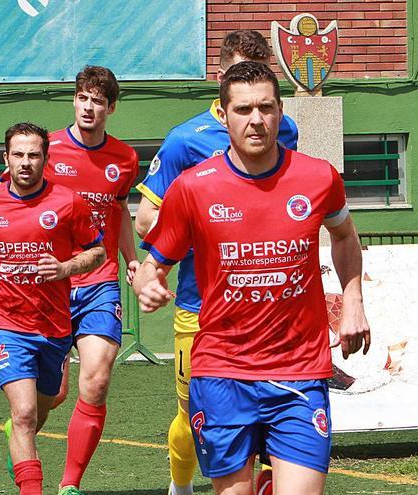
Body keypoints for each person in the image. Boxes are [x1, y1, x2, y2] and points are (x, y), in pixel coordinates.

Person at [134, 61, 371, 495]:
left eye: (266, 107)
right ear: (224, 116)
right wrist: (147, 281)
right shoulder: (192, 187)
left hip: (299, 371)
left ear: (281, 111)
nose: (256, 120)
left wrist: (353, 299)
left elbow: (344, 236)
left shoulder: (318, 177)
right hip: (223, 371)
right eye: (243, 110)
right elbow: (154, 261)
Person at [133, 30, 299, 495]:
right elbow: (146, 221)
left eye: (264, 74)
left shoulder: (283, 129)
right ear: (221, 78)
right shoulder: (185, 140)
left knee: (278, 408)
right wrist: (204, 239)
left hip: (269, 304)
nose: (255, 115)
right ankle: (181, 486)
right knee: (192, 417)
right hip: (200, 305)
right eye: (244, 74)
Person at [0, 123, 105, 495]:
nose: (25, 163)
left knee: (47, 404)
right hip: (4, 321)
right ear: (5, 158)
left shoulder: (68, 203)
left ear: (45, 158)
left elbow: (98, 252)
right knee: (25, 412)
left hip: (54, 325)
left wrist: (64, 268)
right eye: (18, 155)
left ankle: (17, 436)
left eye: (33, 155)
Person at [43, 66, 141, 495]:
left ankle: (70, 485)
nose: (88, 107)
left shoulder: (125, 159)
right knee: (53, 394)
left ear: (110, 108)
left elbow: (118, 214)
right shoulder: (45, 149)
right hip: (49, 283)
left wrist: (132, 260)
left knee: (97, 379)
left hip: (100, 280)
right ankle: (22, 426)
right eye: (83, 98)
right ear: (74, 101)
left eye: (97, 101)